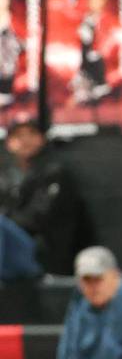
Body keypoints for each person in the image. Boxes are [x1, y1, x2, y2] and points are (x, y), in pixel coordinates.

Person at [0, 119, 92, 279]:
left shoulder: (55, 172)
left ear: (42, 138)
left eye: (31, 134)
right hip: (12, 256)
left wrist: (6, 223)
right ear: (8, 142)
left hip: (48, 256)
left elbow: (38, 217)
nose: (25, 140)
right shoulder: (5, 177)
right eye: (18, 135)